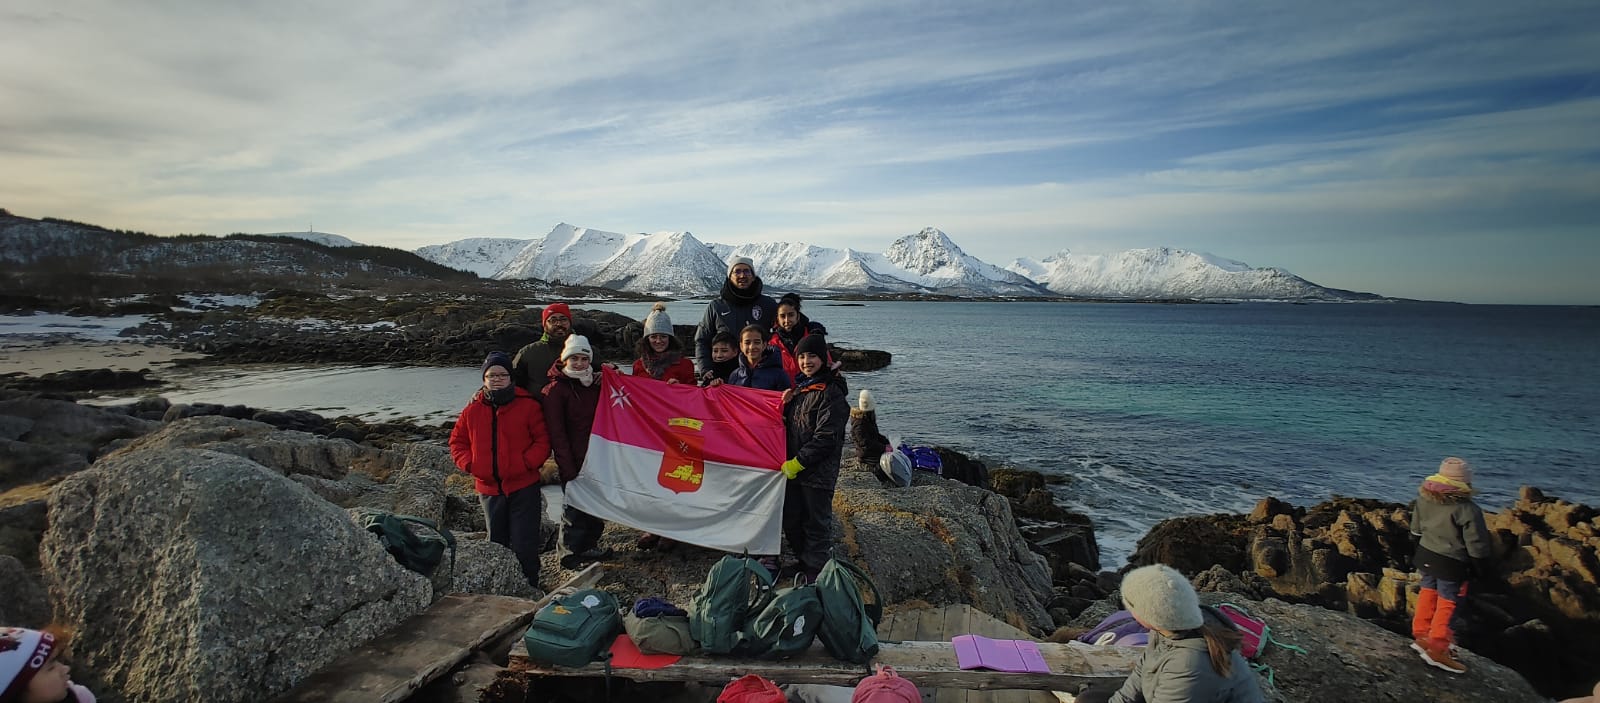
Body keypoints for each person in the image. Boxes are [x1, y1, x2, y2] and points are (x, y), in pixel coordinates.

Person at [448, 351, 551, 591]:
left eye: (502, 374)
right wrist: (471, 465)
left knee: (525, 543)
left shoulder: (527, 406)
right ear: (484, 378)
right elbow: (457, 442)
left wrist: (526, 464)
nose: (497, 379)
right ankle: (502, 587)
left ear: (511, 377)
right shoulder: (472, 410)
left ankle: (530, 586)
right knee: (496, 542)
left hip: (523, 486)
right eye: (491, 375)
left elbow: (542, 441)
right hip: (489, 489)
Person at [1090, 564, 1263, 703]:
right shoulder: (1166, 631)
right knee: (1087, 699)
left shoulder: (1189, 663)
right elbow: (1136, 684)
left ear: (1147, 615)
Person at [1409, 456, 1494, 674]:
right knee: (1449, 602)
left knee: (1428, 592)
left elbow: (1416, 530)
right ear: (1465, 482)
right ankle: (1438, 648)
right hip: (1451, 562)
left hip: (1426, 554)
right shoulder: (1467, 509)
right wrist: (1480, 565)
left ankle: (1422, 636)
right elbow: (1476, 543)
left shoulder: (1423, 499)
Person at [777, 334, 850, 583]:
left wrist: (798, 462)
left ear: (823, 359)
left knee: (816, 522)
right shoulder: (801, 390)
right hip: (795, 470)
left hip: (817, 472)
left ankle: (816, 569)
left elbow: (826, 437)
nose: (807, 361)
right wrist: (784, 404)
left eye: (812, 356)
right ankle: (802, 559)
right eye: (802, 356)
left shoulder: (832, 393)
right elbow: (790, 425)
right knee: (792, 517)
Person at [541, 335, 614, 570]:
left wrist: (612, 373)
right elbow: (557, 433)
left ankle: (589, 545)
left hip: (597, 456)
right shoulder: (554, 390)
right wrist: (566, 464)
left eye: (584, 358)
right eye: (575, 358)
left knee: (594, 503)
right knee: (572, 506)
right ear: (565, 359)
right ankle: (568, 552)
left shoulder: (595, 384)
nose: (580, 363)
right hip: (572, 457)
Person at [693, 257, 778, 380]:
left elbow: (786, 326)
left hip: (761, 374)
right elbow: (702, 340)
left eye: (747, 271)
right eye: (737, 271)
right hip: (723, 377)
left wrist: (813, 329)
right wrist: (705, 369)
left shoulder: (768, 304)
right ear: (730, 276)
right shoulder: (716, 306)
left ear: (753, 276)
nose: (742, 275)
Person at [0, 627, 96, 703]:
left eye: (57, 659)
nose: (65, 669)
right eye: (51, 668)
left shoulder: (79, 697)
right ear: (17, 690)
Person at [512, 302, 574, 395]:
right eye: (553, 320)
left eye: (563, 319)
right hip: (537, 407)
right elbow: (512, 381)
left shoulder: (585, 350)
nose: (559, 324)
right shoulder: (527, 352)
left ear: (570, 323)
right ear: (545, 326)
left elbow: (599, 374)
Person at [768, 293, 827, 381]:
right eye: (783, 316)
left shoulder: (812, 337)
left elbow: (827, 363)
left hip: (810, 390)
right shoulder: (771, 342)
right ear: (777, 318)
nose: (787, 320)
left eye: (791, 315)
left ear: (798, 316)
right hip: (783, 392)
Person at [632, 302, 695, 385]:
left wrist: (680, 387)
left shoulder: (685, 364)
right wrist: (618, 376)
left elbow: (694, 392)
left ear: (670, 338)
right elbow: (632, 390)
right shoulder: (638, 365)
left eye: (663, 336)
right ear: (647, 340)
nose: (658, 341)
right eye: (653, 337)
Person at [726, 324, 791, 392]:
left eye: (757, 342)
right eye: (747, 343)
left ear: (764, 345)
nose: (752, 347)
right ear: (741, 346)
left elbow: (785, 400)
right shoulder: (735, 375)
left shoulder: (779, 375)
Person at [849, 389, 891, 472]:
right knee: (885, 467)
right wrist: (884, 448)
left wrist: (887, 443)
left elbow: (875, 435)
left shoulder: (868, 417)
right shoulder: (859, 424)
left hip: (872, 449)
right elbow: (866, 444)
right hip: (866, 454)